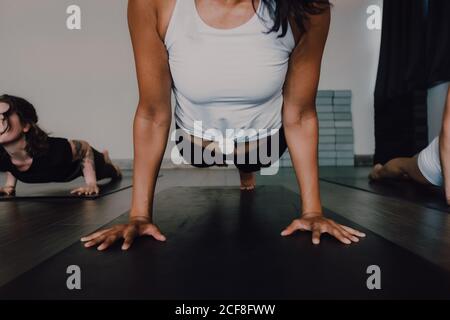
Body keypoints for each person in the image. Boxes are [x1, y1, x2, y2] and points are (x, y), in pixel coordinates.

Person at [81, 0, 366, 251]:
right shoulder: (154, 4)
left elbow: (300, 114)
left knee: (252, 160)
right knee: (205, 156)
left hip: (262, 149)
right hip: (195, 147)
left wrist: (313, 211)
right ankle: (244, 171)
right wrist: (139, 216)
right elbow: (153, 113)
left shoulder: (307, 9)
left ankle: (246, 171)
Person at [0, 94, 122, 196]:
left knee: (109, 171)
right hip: (57, 170)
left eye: (3, 117)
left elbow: (84, 148)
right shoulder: (3, 155)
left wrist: (90, 183)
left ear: (25, 125)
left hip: (77, 165)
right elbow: (11, 163)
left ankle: (108, 161)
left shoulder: (54, 150)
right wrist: (9, 186)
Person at [370, 85, 450, 204]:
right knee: (404, 166)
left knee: (408, 174)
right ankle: (379, 171)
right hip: (435, 164)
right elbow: (447, 131)